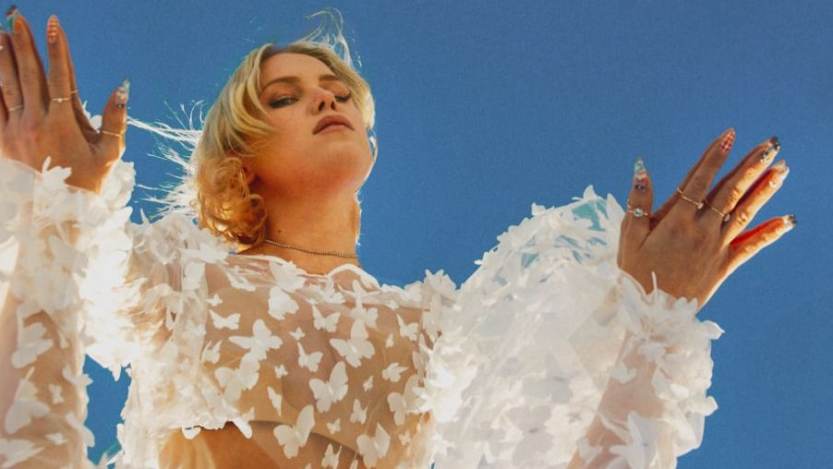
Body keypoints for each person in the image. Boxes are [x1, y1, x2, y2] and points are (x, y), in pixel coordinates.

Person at [0, 6, 795, 469]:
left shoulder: (437, 328)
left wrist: (657, 317)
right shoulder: (178, 275)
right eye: (284, 97)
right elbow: (34, 363)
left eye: (337, 90)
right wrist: (56, 194)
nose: (326, 100)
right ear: (238, 159)